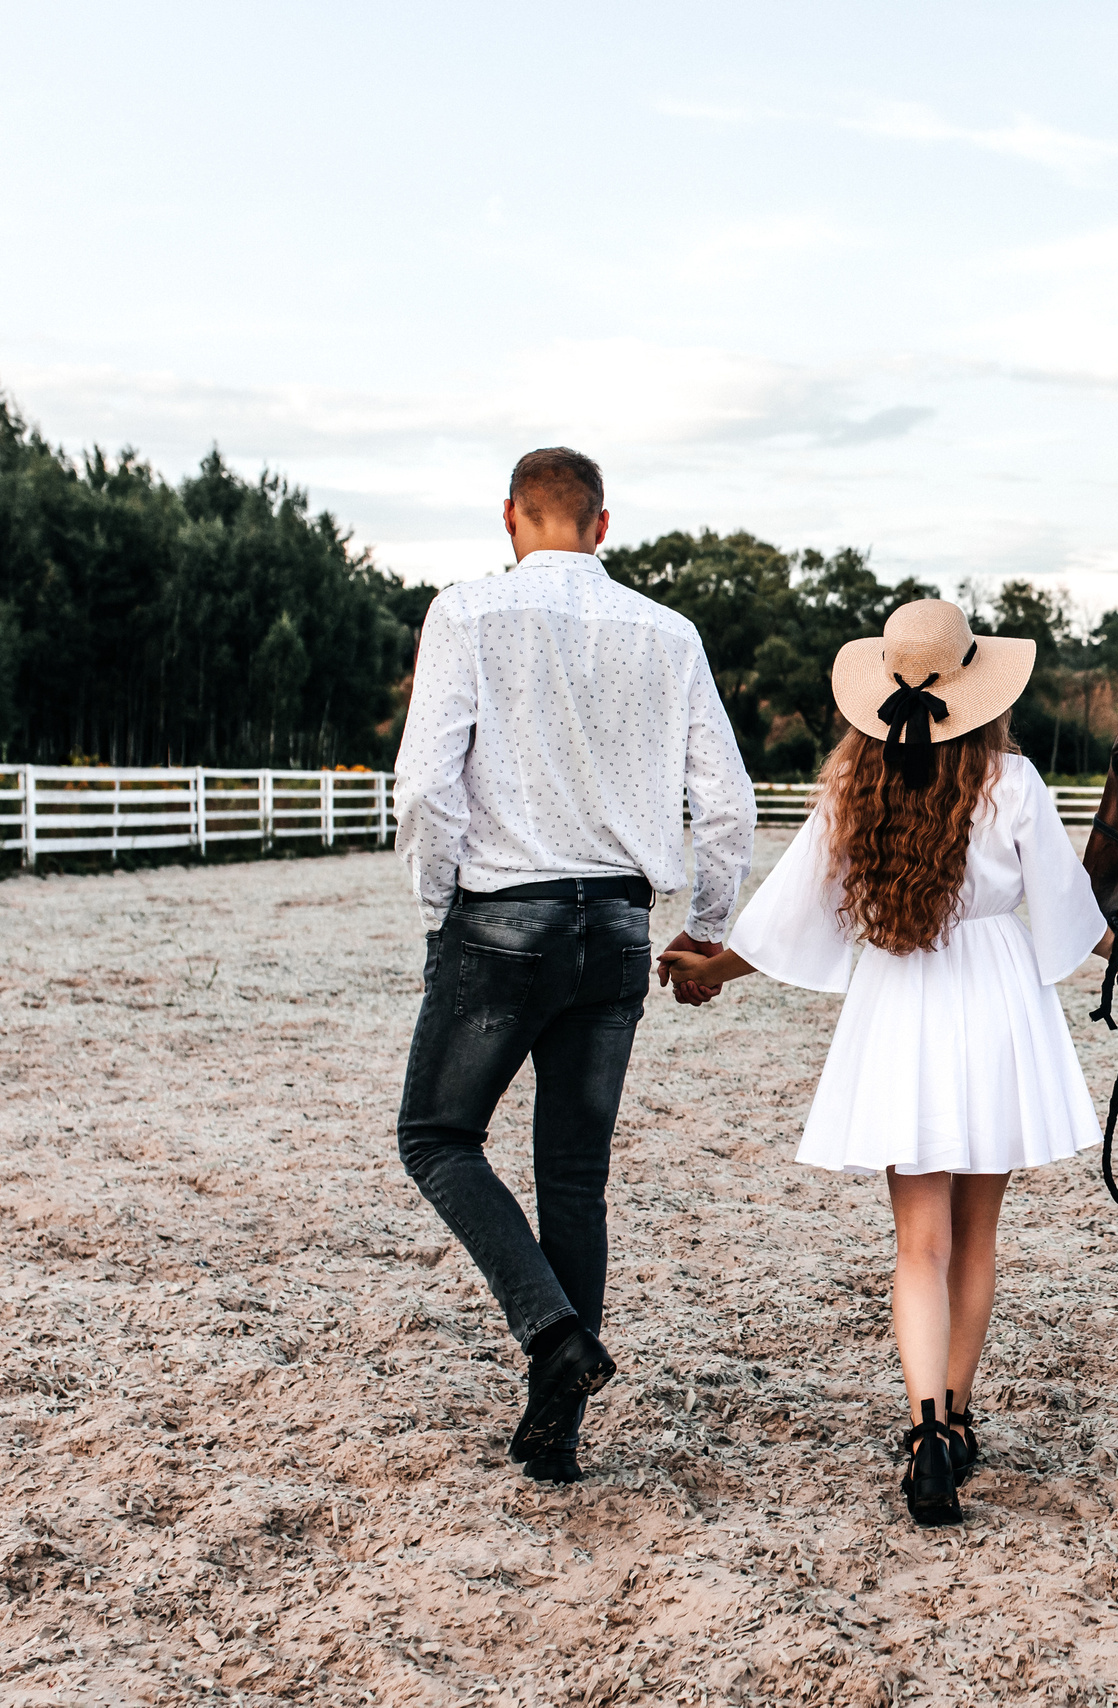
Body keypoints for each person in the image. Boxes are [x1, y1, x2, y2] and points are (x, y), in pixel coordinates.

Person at [654, 597, 1118, 1527]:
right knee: (976, 1235)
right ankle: (956, 1419)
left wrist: (716, 966)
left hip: (901, 1003)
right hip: (995, 999)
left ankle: (921, 1429)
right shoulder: (1015, 783)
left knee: (916, 1242)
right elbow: (1069, 909)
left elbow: (793, 906)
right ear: (978, 689)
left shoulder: (855, 788)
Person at [392, 447, 755, 1484]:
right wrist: (705, 925)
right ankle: (557, 1428)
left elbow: (427, 787)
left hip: (503, 913)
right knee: (575, 1178)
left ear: (511, 518)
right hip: (618, 931)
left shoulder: (466, 614)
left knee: (436, 1135)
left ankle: (553, 1339)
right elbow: (724, 803)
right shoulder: (669, 633)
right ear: (602, 525)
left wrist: (437, 908)